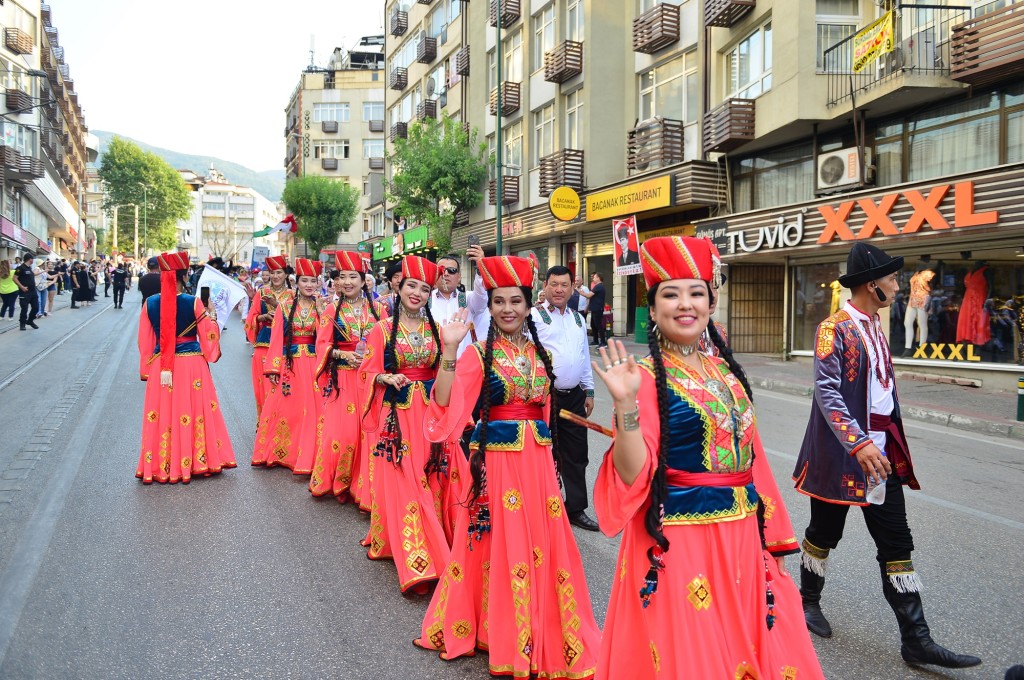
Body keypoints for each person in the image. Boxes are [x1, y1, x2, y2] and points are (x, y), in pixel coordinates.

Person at [592, 235, 823, 679]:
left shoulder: (725, 371)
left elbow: (753, 462)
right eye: (671, 294)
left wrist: (768, 537)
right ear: (653, 309)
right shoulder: (645, 377)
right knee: (695, 660)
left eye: (696, 292)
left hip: (740, 536)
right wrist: (625, 406)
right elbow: (633, 472)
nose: (686, 304)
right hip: (680, 541)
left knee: (745, 648)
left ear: (711, 302)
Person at [792, 242, 981, 669]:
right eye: (893, 279)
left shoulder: (877, 325)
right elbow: (827, 392)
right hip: (841, 456)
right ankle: (807, 602)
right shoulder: (833, 328)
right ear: (871, 284)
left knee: (897, 543)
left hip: (881, 456)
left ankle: (917, 641)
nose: (899, 286)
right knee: (824, 534)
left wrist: (883, 443)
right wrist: (857, 443)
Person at [415, 255, 601, 678]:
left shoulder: (538, 351)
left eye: (515, 301)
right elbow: (443, 403)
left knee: (542, 543)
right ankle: (499, 628)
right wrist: (448, 350)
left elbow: (546, 407)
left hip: (537, 466)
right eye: (498, 302)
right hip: (497, 467)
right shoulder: (478, 355)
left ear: (527, 302)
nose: (507, 310)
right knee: (496, 544)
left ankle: (543, 626)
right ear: (491, 304)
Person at [359, 255, 450, 594]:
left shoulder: (439, 332)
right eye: (412, 285)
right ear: (399, 286)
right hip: (396, 417)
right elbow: (365, 373)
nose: (417, 293)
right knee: (406, 482)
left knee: (429, 479)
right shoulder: (381, 329)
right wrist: (384, 375)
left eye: (425, 289)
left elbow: (446, 374)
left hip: (428, 417)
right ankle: (419, 557)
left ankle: (435, 541)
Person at [135, 251, 236, 483]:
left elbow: (145, 342)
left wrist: (147, 369)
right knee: (191, 412)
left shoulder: (150, 303)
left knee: (164, 413)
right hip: (191, 364)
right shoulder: (194, 302)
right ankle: (196, 460)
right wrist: (211, 316)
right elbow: (208, 337)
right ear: (185, 275)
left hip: (162, 365)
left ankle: (163, 463)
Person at [529, 265, 598, 532]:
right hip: (545, 397)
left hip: (574, 397)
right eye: (554, 284)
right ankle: (544, 506)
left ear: (572, 288)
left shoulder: (578, 319)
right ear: (545, 286)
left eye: (564, 285)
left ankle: (575, 508)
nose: (559, 289)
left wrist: (589, 391)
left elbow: (583, 358)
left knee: (577, 453)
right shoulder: (533, 316)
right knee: (544, 453)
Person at [310, 251, 382, 502]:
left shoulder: (378, 309)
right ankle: (339, 481)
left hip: (371, 381)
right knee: (343, 435)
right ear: (337, 281)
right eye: (343, 277)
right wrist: (343, 355)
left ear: (364, 280)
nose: (348, 281)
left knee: (368, 434)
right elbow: (322, 345)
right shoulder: (331, 310)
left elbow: (387, 344)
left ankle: (364, 488)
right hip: (343, 379)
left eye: (354, 276)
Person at [252, 258, 325, 474]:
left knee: (312, 410)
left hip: (313, 363)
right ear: (297, 282)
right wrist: (274, 368)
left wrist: (322, 313)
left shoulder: (323, 307)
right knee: (287, 409)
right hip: (290, 363)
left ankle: (310, 454)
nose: (309, 285)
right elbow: (276, 339)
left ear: (318, 283)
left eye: (313, 281)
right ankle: (282, 453)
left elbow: (323, 338)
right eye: (304, 281)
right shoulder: (285, 306)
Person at [244, 255, 293, 419]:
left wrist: (278, 309)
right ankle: (265, 431)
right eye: (272, 273)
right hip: (264, 346)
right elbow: (251, 318)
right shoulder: (262, 292)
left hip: (286, 348)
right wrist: (262, 317)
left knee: (285, 392)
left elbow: (298, 319)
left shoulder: (293, 295)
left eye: (279, 272)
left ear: (285, 274)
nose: (276, 276)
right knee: (265, 391)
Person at [577, 272, 607, 348]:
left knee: (598, 325)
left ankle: (603, 342)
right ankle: (596, 340)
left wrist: (580, 292)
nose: (593, 278)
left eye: (594, 277)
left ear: (598, 278)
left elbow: (588, 295)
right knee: (593, 325)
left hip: (597, 309)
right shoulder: (598, 286)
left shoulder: (599, 286)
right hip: (594, 309)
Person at [14, 254, 39, 330]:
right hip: (24, 292)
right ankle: (22, 323)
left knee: (36, 307)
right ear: (30, 259)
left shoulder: (30, 268)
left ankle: (30, 321)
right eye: (32, 259)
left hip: (33, 292)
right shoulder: (20, 268)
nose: (33, 260)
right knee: (24, 309)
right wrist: (22, 287)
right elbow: (14, 278)